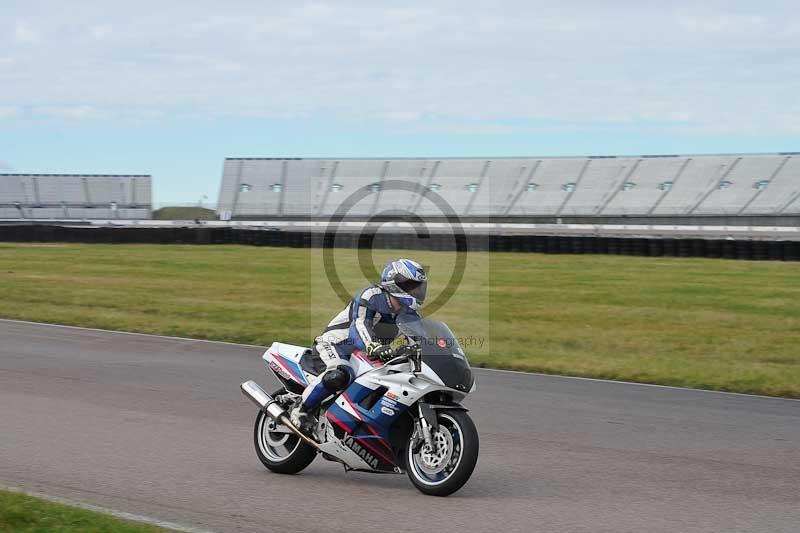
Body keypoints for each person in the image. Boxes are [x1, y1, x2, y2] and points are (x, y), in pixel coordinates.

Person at [290, 258, 427, 433]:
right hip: (335, 345)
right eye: (412, 286)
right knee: (340, 373)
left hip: (365, 357)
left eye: (419, 286)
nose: (417, 291)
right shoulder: (372, 296)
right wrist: (374, 346)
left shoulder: (409, 314)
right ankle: (301, 409)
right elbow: (360, 326)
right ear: (396, 284)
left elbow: (421, 339)